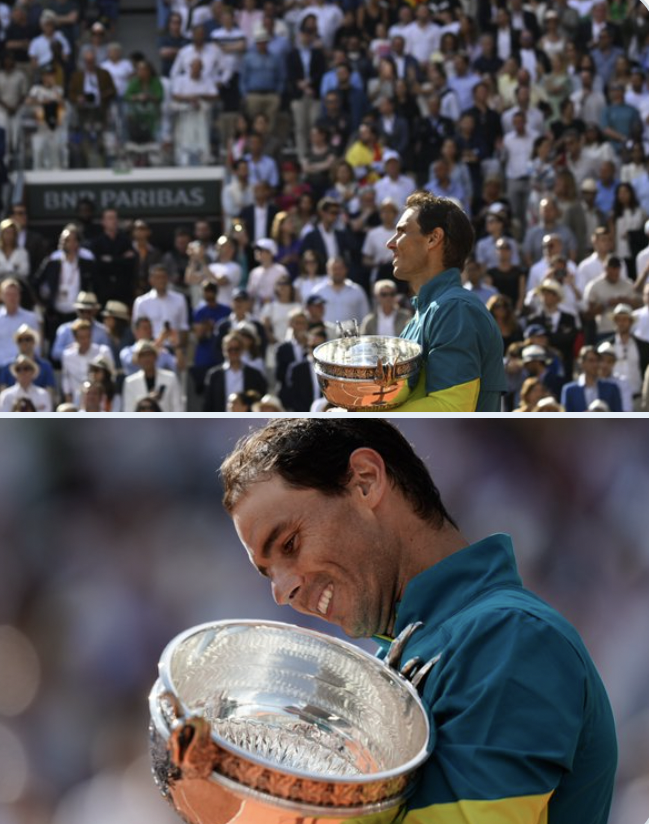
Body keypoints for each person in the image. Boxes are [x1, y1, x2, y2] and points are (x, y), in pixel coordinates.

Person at [219, 418, 617, 823]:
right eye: (268, 573)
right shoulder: (391, 670)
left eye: (290, 543)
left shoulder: (511, 636)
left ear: (365, 482)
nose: (281, 591)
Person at [385, 191, 507, 410]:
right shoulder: (424, 316)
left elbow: (451, 407)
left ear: (433, 238)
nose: (390, 243)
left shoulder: (454, 309)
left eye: (401, 232)